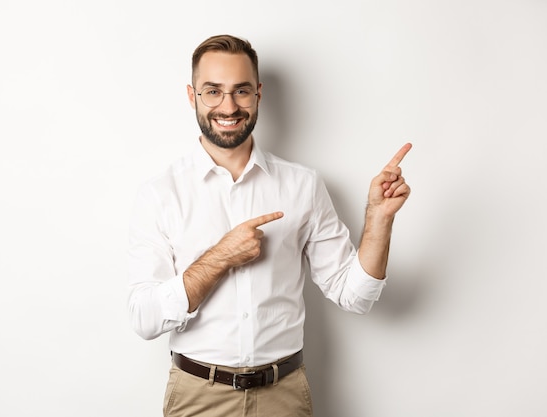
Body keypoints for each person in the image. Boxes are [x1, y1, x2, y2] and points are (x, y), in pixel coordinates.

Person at [127, 34, 411, 417]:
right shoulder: (160, 194)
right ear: (192, 96)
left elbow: (354, 296)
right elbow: (144, 317)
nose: (228, 106)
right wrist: (220, 258)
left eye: (241, 91)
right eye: (213, 91)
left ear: (258, 94)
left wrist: (378, 220)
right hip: (198, 397)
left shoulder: (303, 185)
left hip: (284, 396)